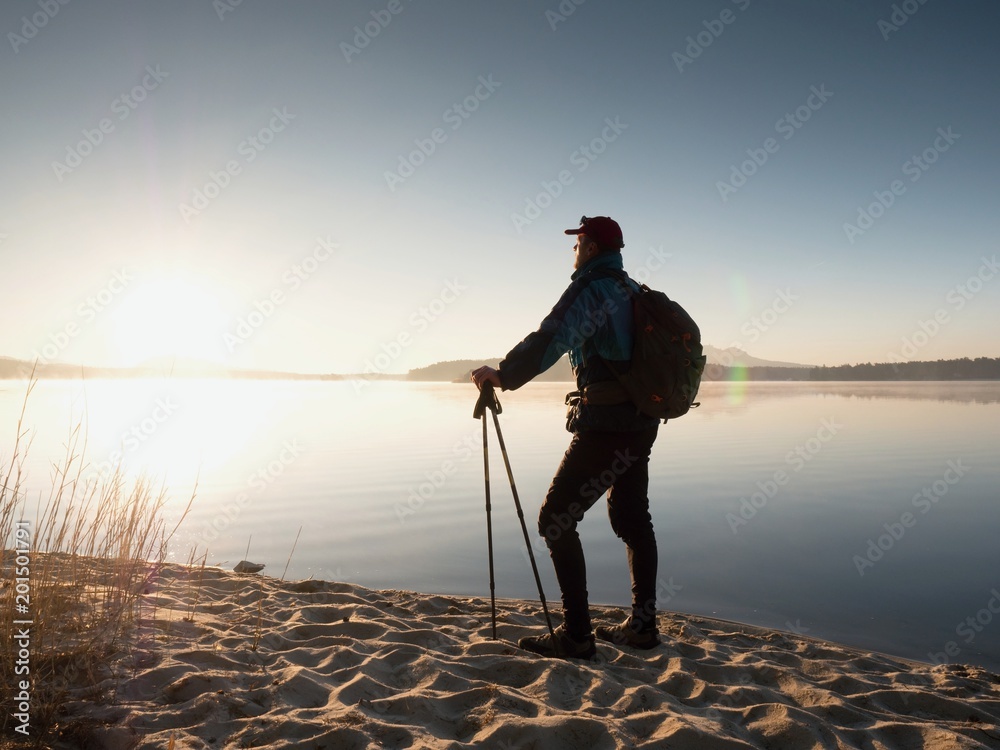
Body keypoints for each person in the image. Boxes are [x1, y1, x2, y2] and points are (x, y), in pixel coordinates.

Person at [471, 216, 662, 660]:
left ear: (591, 248)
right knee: (633, 520)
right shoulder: (633, 290)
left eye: (577, 244)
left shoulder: (592, 288)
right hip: (642, 422)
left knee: (555, 518)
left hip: (607, 424)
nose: (573, 252)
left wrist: (505, 374)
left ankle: (577, 636)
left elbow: (553, 336)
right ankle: (643, 626)